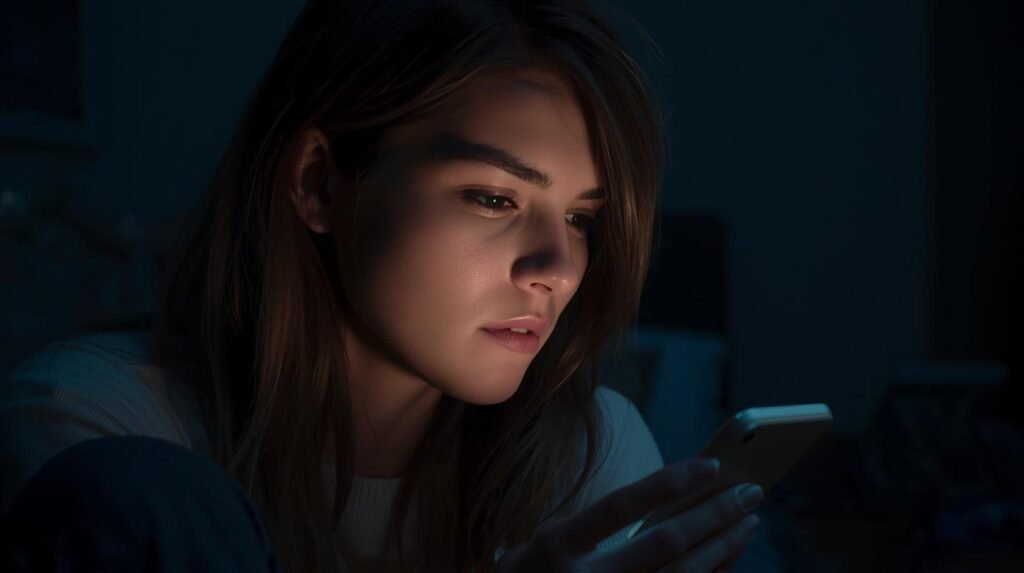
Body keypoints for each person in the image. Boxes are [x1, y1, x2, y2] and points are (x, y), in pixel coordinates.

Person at [0, 0, 764, 571]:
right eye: (494, 198)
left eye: (580, 218)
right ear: (321, 183)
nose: (557, 268)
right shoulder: (99, 429)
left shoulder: (589, 451)